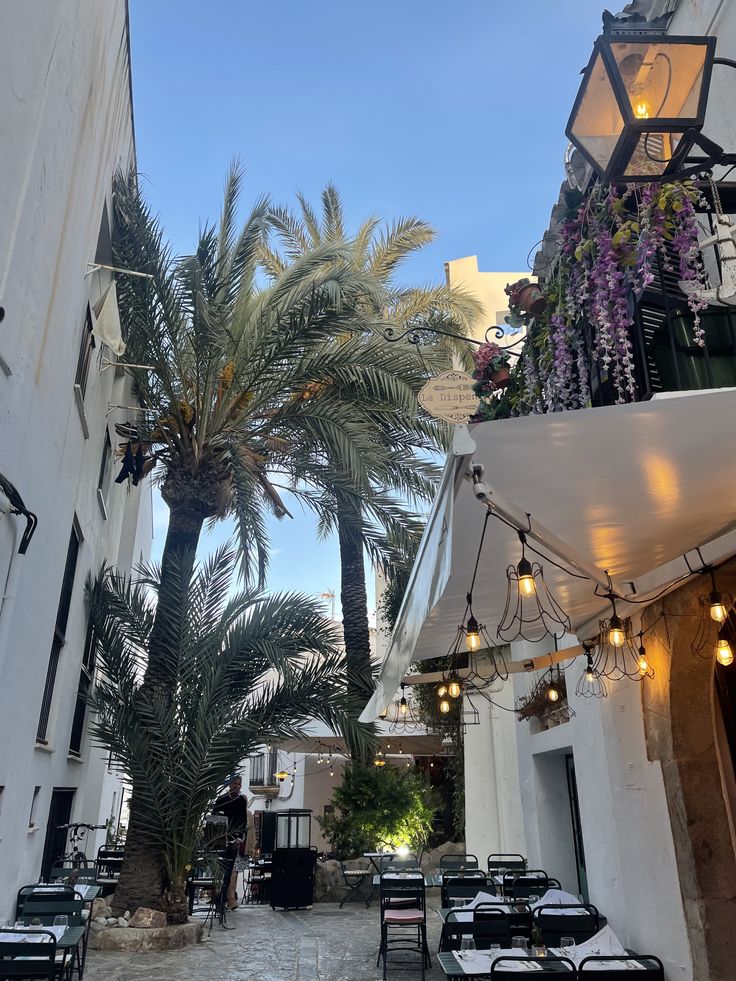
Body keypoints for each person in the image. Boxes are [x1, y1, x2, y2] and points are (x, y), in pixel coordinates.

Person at [212, 774, 254, 910]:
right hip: (220, 839)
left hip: (234, 840)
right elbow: (214, 817)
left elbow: (242, 821)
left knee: (229, 871)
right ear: (229, 785)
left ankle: (224, 899)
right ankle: (221, 899)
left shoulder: (241, 800)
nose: (237, 786)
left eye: (239, 784)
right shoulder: (221, 800)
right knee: (221, 870)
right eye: (234, 784)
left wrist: (240, 839)